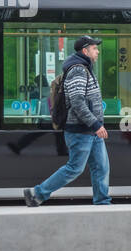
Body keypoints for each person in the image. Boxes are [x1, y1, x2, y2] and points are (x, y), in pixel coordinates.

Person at [24, 35, 112, 206]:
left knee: (101, 167)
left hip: (90, 131)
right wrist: (95, 124)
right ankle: (36, 193)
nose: (98, 51)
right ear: (85, 51)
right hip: (81, 130)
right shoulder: (78, 69)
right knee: (74, 168)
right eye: (95, 48)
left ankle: (102, 201)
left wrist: (95, 126)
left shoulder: (85, 67)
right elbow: (77, 101)